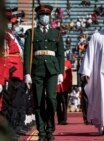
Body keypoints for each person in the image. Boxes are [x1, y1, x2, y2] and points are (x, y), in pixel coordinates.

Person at [23, 4, 64, 141]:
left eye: (46, 15)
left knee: (52, 100)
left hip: (52, 70)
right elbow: (27, 54)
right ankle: (42, 131)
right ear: (38, 17)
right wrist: (27, 73)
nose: (44, 17)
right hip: (37, 70)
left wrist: (60, 72)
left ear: (50, 17)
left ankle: (50, 129)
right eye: (42, 15)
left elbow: (60, 55)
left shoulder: (56, 33)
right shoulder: (31, 33)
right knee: (38, 102)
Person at [0, 7, 27, 138]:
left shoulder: (11, 33)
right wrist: (5, 74)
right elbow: (4, 56)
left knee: (17, 102)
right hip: (11, 71)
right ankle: (11, 129)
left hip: (18, 71)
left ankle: (16, 126)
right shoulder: (4, 35)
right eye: (10, 20)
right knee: (10, 103)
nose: (13, 23)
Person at [56, 57, 72, 125]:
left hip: (65, 86)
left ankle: (64, 119)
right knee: (58, 103)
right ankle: (60, 119)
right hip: (57, 86)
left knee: (65, 102)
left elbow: (70, 75)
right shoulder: (55, 62)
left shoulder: (67, 63)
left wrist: (70, 85)